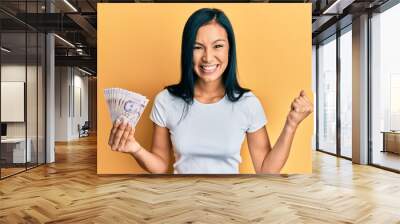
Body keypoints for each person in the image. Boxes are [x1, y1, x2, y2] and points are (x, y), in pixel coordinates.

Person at [108, 8, 313, 174]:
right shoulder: (165, 100)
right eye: (197, 47)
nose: (207, 57)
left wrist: (291, 125)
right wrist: (135, 149)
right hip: (181, 204)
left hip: (229, 205)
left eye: (217, 46)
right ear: (187, 51)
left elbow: (266, 170)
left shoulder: (248, 103)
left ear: (229, 50)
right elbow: (161, 166)